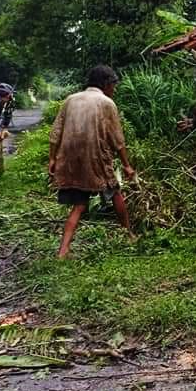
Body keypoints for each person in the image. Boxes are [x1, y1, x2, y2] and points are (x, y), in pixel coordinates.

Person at [49, 66, 135, 258]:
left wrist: (53, 158)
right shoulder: (106, 102)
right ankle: (128, 234)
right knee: (115, 191)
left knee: (79, 204)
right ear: (106, 83)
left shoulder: (70, 100)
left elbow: (55, 133)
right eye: (113, 84)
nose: (114, 89)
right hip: (96, 156)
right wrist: (127, 165)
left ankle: (62, 251)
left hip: (70, 157)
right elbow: (117, 139)